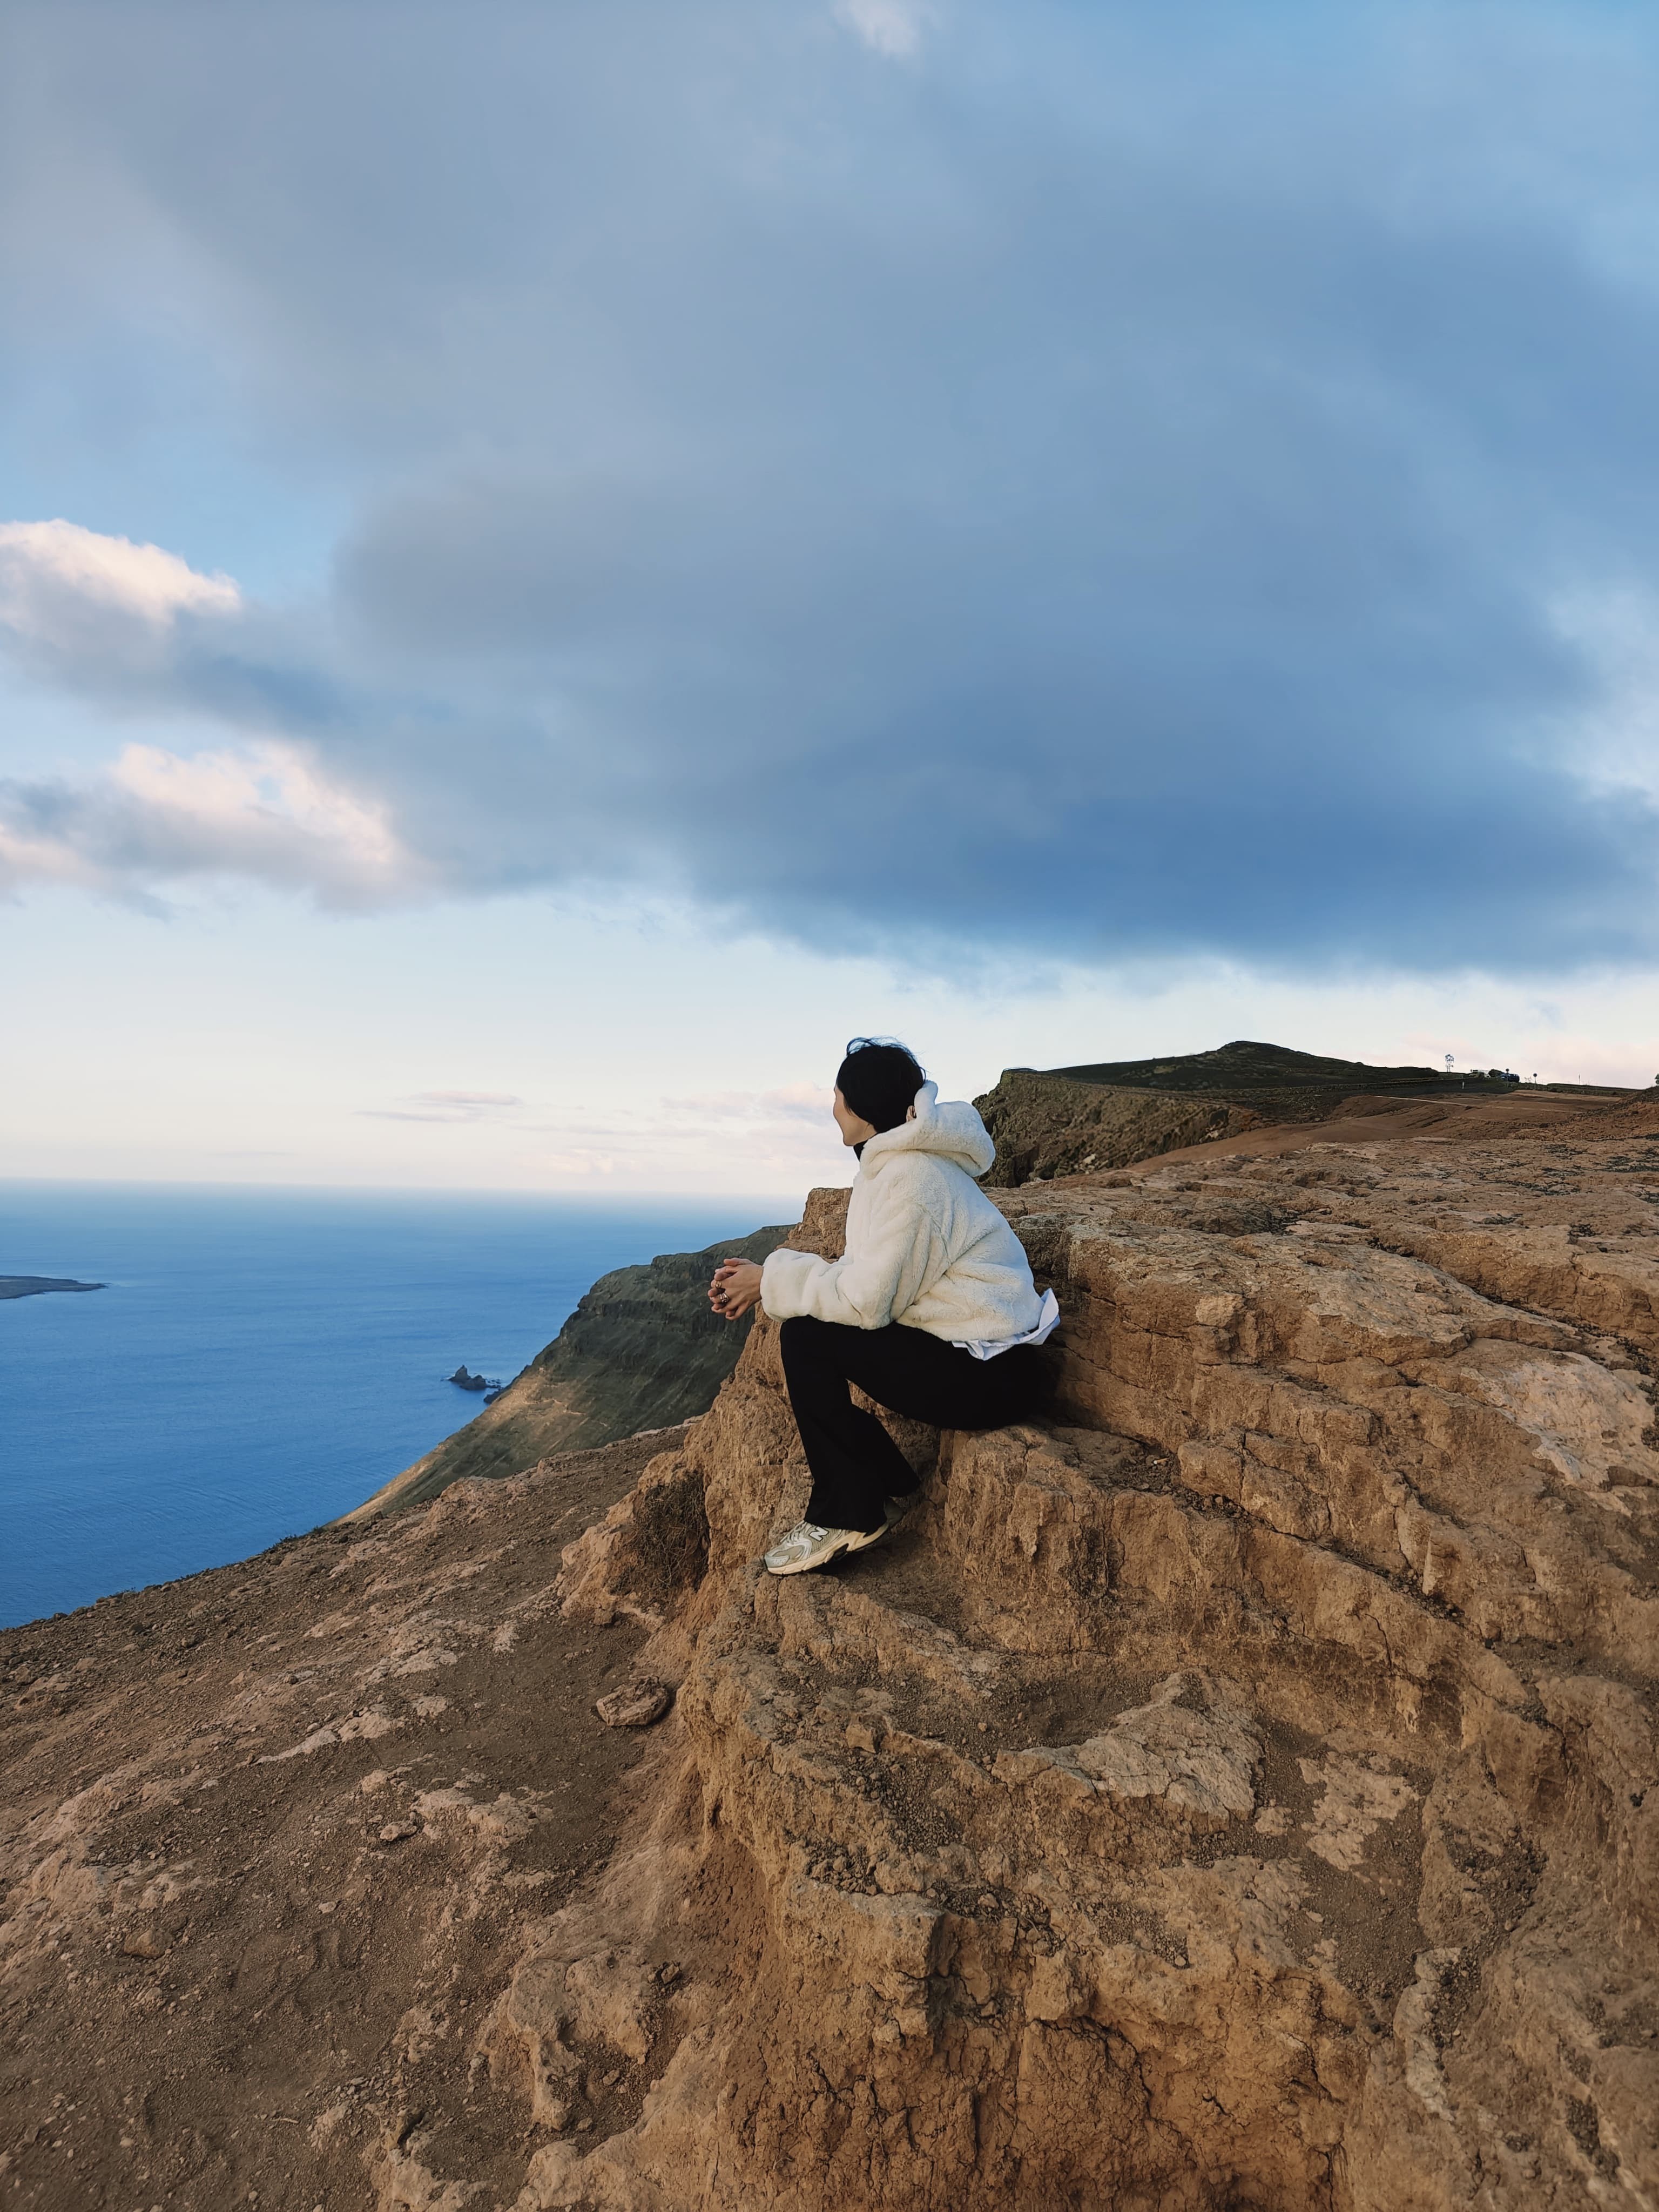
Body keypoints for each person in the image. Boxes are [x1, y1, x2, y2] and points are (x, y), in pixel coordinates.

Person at [708, 1037, 1059, 1575]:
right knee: (811, 1328)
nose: (832, 1108)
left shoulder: (913, 1180)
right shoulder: (892, 1168)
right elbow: (868, 1278)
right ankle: (890, 1485)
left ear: (864, 1111)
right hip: (973, 1357)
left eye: (838, 1096)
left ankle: (848, 1512)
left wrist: (771, 1278)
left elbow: (869, 1302)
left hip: (992, 1376)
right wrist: (769, 1277)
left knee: (807, 1337)